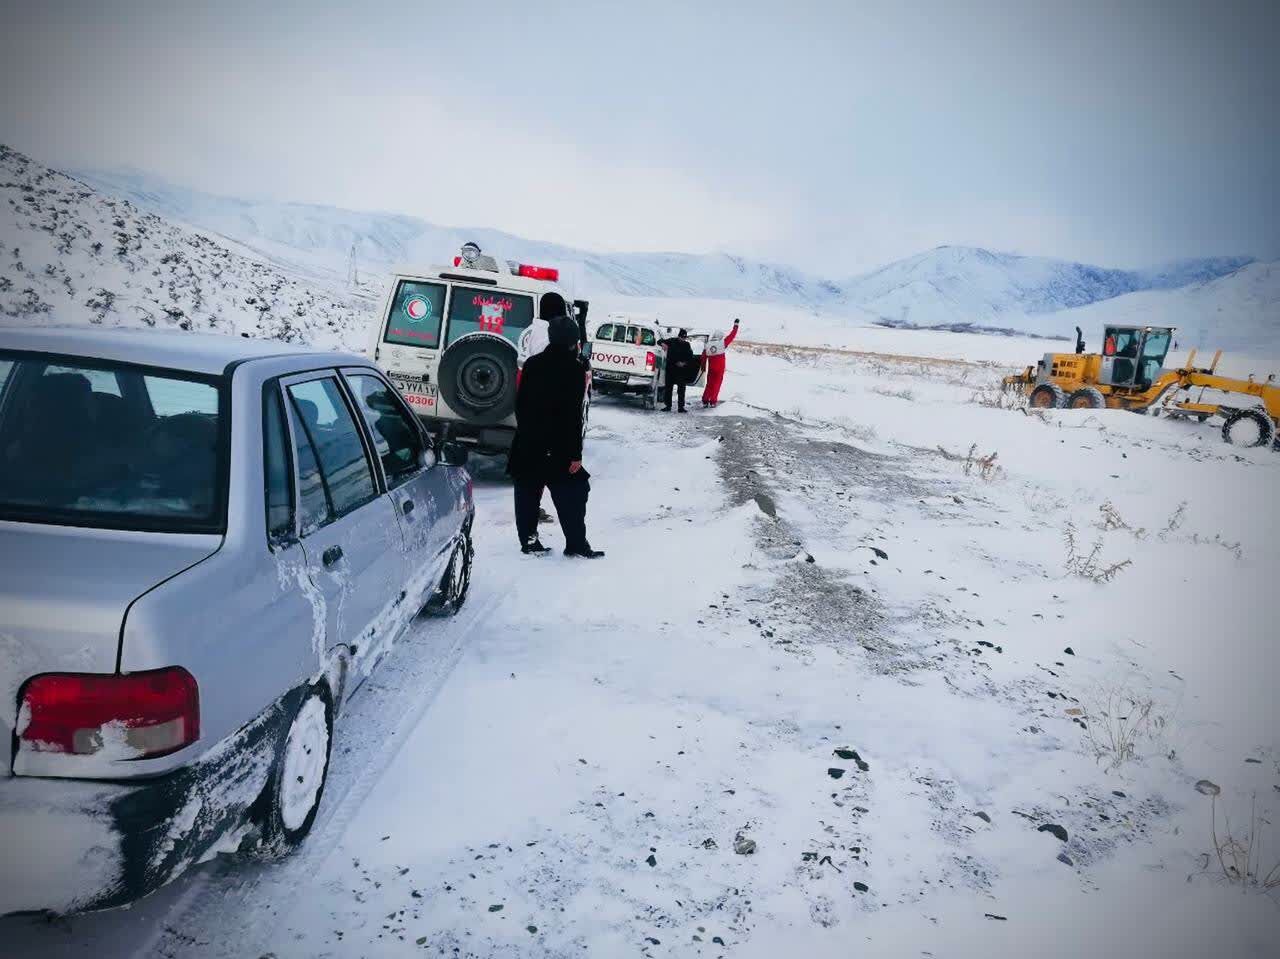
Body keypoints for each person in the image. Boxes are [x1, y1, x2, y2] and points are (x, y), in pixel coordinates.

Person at [507, 314, 604, 559]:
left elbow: (520, 405)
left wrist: (527, 433)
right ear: (573, 341)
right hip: (558, 448)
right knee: (575, 491)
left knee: (527, 491)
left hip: (528, 443)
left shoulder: (532, 364)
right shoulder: (574, 369)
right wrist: (575, 454)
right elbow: (572, 416)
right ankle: (576, 543)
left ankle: (529, 540)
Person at [700, 318, 740, 407]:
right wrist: (736, 325)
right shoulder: (722, 343)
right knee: (716, 385)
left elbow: (703, 357)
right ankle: (713, 401)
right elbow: (732, 335)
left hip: (711, 369)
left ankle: (705, 400)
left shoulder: (707, 345)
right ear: (720, 337)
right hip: (719, 369)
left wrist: (703, 367)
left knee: (709, 384)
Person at [658, 329, 696, 412]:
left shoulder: (687, 345)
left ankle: (681, 407)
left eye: (685, 337)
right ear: (679, 336)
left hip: (681, 370)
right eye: (682, 337)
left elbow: (690, 357)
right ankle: (668, 406)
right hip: (670, 368)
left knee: (681, 389)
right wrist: (663, 344)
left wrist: (684, 363)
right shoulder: (672, 341)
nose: (683, 339)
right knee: (668, 389)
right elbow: (659, 341)